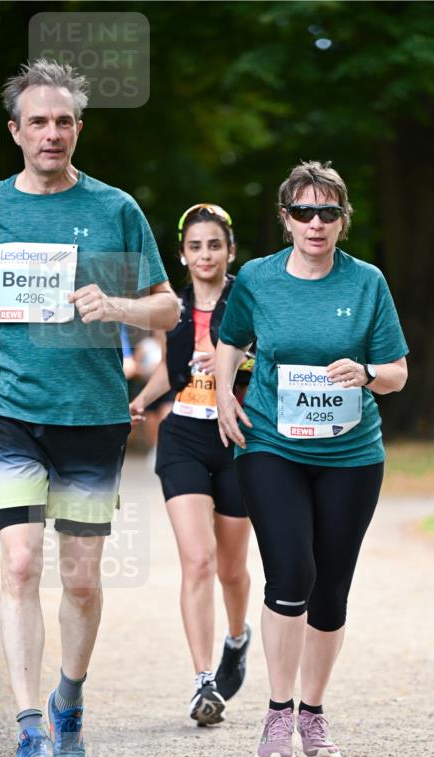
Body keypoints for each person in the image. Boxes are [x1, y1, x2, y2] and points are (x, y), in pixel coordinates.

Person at [0, 60, 179, 757]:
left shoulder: (115, 210)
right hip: (10, 410)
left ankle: (67, 703)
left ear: (79, 129)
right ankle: (26, 729)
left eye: (63, 121)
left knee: (78, 578)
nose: (51, 133)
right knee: (16, 565)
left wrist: (120, 307)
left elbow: (168, 308)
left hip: (91, 413)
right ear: (14, 131)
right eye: (37, 121)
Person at [216, 161, 408, 757]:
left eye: (328, 212)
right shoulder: (256, 279)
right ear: (286, 219)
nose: (316, 223)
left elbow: (399, 373)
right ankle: (277, 715)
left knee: (331, 591)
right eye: (304, 212)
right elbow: (231, 339)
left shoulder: (367, 282)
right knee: (290, 573)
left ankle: (314, 715)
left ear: (343, 220)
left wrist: (369, 374)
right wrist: (225, 392)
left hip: (351, 455)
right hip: (272, 444)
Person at [130, 204, 252, 725]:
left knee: (231, 567)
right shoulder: (171, 307)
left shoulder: (249, 300)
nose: (205, 254)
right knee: (197, 559)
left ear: (230, 252)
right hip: (182, 435)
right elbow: (172, 373)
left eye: (214, 245)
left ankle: (238, 638)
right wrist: (138, 400)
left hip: (237, 437)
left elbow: (269, 358)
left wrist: (230, 359)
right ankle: (204, 680)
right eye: (196, 246)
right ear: (183, 253)